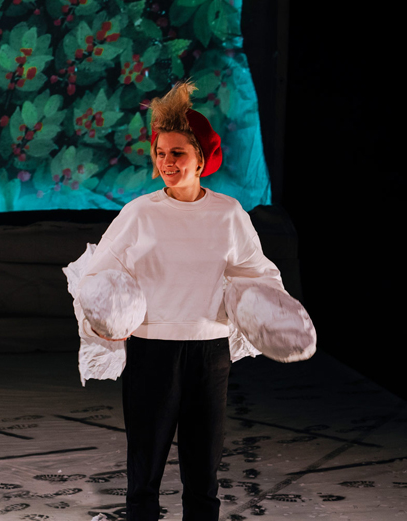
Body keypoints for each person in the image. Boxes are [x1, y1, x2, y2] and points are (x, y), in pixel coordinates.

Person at [75, 82, 286, 521]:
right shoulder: (140, 213)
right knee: (144, 470)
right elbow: (98, 274)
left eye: (177, 153)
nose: (167, 162)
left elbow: (258, 273)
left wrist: (274, 313)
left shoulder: (228, 214)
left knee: (203, 473)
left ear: (201, 158)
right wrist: (103, 318)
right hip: (152, 349)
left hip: (209, 352)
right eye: (160, 152)